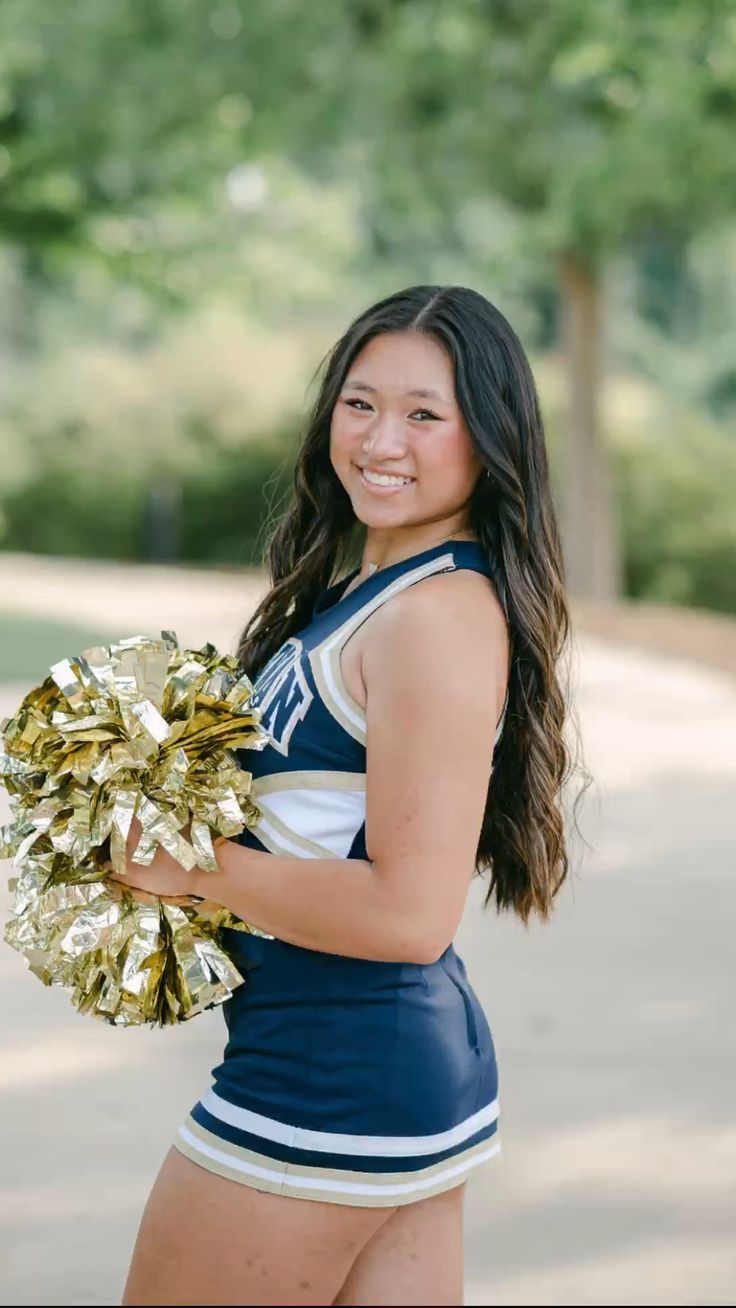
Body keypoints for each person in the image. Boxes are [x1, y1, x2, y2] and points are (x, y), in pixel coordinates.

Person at [109, 284, 581, 1306]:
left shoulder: (434, 618)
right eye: (360, 403)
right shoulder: (370, 593)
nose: (381, 439)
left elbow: (411, 915)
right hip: (378, 1073)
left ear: (488, 438)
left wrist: (188, 866)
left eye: (424, 413)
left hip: (327, 1082)